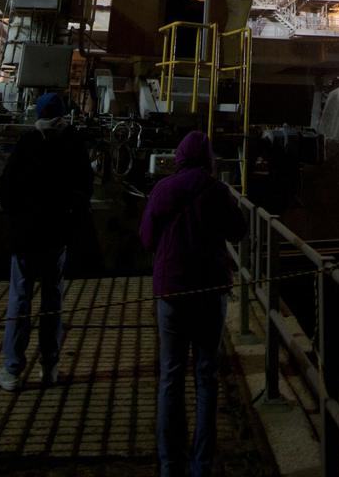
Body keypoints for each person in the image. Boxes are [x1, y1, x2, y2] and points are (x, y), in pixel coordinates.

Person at [140, 131, 247, 477]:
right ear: (209, 159)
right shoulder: (217, 192)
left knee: (171, 377)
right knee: (206, 376)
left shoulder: (163, 190)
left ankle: (170, 465)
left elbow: (146, 237)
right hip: (210, 293)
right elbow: (239, 231)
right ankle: (202, 465)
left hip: (171, 293)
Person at [0, 91, 93, 391]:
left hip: (25, 236)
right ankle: (50, 366)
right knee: (52, 299)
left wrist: (16, 219)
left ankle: (12, 370)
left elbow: (7, 189)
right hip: (56, 236)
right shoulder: (73, 143)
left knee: (20, 298)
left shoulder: (28, 143)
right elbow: (84, 188)